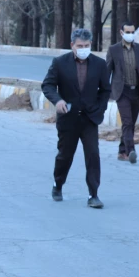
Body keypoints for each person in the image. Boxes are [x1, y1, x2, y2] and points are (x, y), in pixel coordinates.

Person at [42, 28, 111, 209]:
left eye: (86, 46)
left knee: (93, 155)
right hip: (68, 118)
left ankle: (93, 194)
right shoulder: (60, 63)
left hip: (90, 118)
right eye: (80, 46)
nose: (83, 49)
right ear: (72, 45)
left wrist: (99, 109)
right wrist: (58, 101)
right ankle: (58, 184)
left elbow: (105, 90)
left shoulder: (99, 64)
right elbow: (48, 85)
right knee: (65, 155)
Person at [106, 21, 139, 164]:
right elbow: (106, 70)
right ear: (121, 33)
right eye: (128, 32)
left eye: (133, 32)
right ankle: (131, 151)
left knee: (131, 123)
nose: (130, 34)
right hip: (122, 92)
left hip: (136, 91)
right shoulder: (113, 50)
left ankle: (122, 151)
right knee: (127, 121)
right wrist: (102, 89)